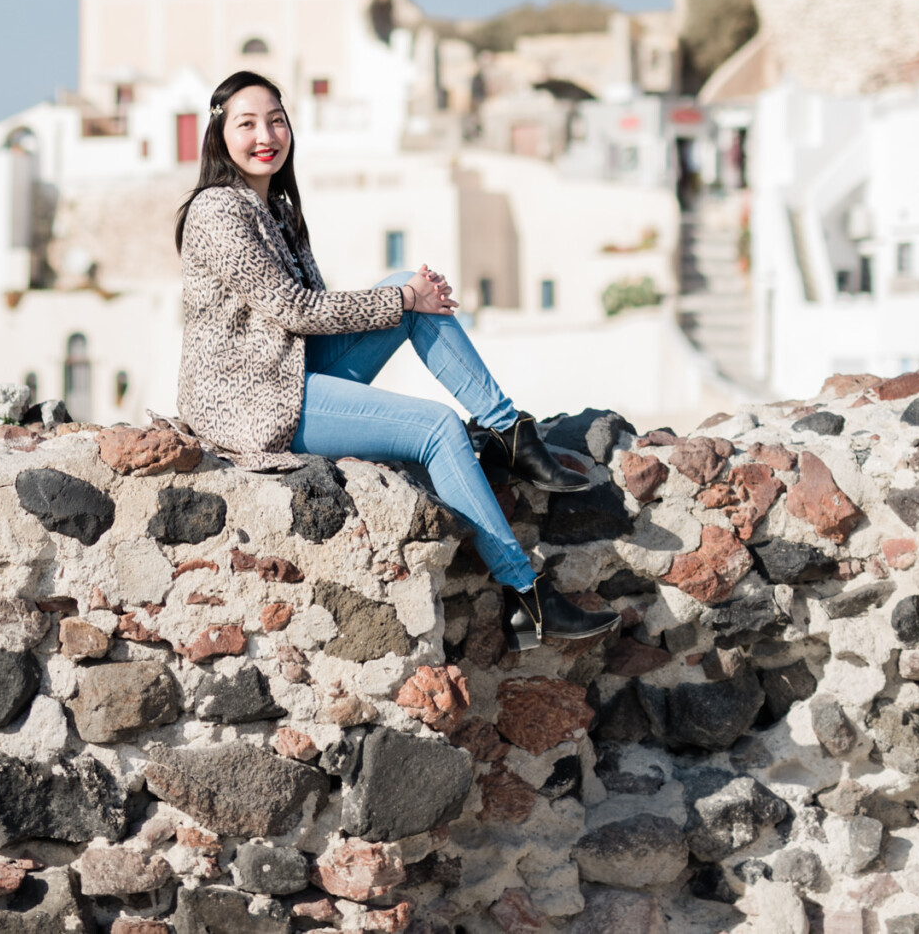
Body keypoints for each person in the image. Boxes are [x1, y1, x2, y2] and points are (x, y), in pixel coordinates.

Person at [174, 68, 618, 648]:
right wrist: (404, 299)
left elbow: (311, 314)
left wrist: (407, 296)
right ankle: (526, 593)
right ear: (219, 136)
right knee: (435, 428)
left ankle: (510, 431)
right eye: (248, 124)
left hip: (287, 373)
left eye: (276, 120)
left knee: (407, 292)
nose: (266, 136)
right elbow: (294, 309)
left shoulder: (276, 209)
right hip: (249, 403)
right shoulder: (217, 210)